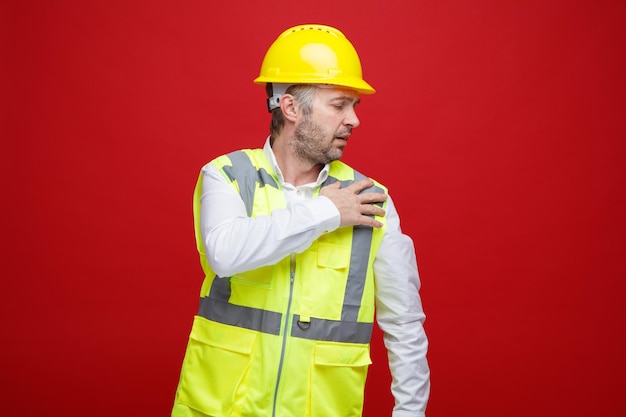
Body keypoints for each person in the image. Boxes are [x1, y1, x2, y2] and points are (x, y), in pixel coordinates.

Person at [172, 24, 430, 417]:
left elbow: (405, 323)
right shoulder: (226, 175)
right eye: (339, 104)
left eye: (354, 106)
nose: (354, 120)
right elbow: (225, 253)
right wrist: (326, 212)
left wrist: (410, 413)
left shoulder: (370, 198)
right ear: (291, 108)